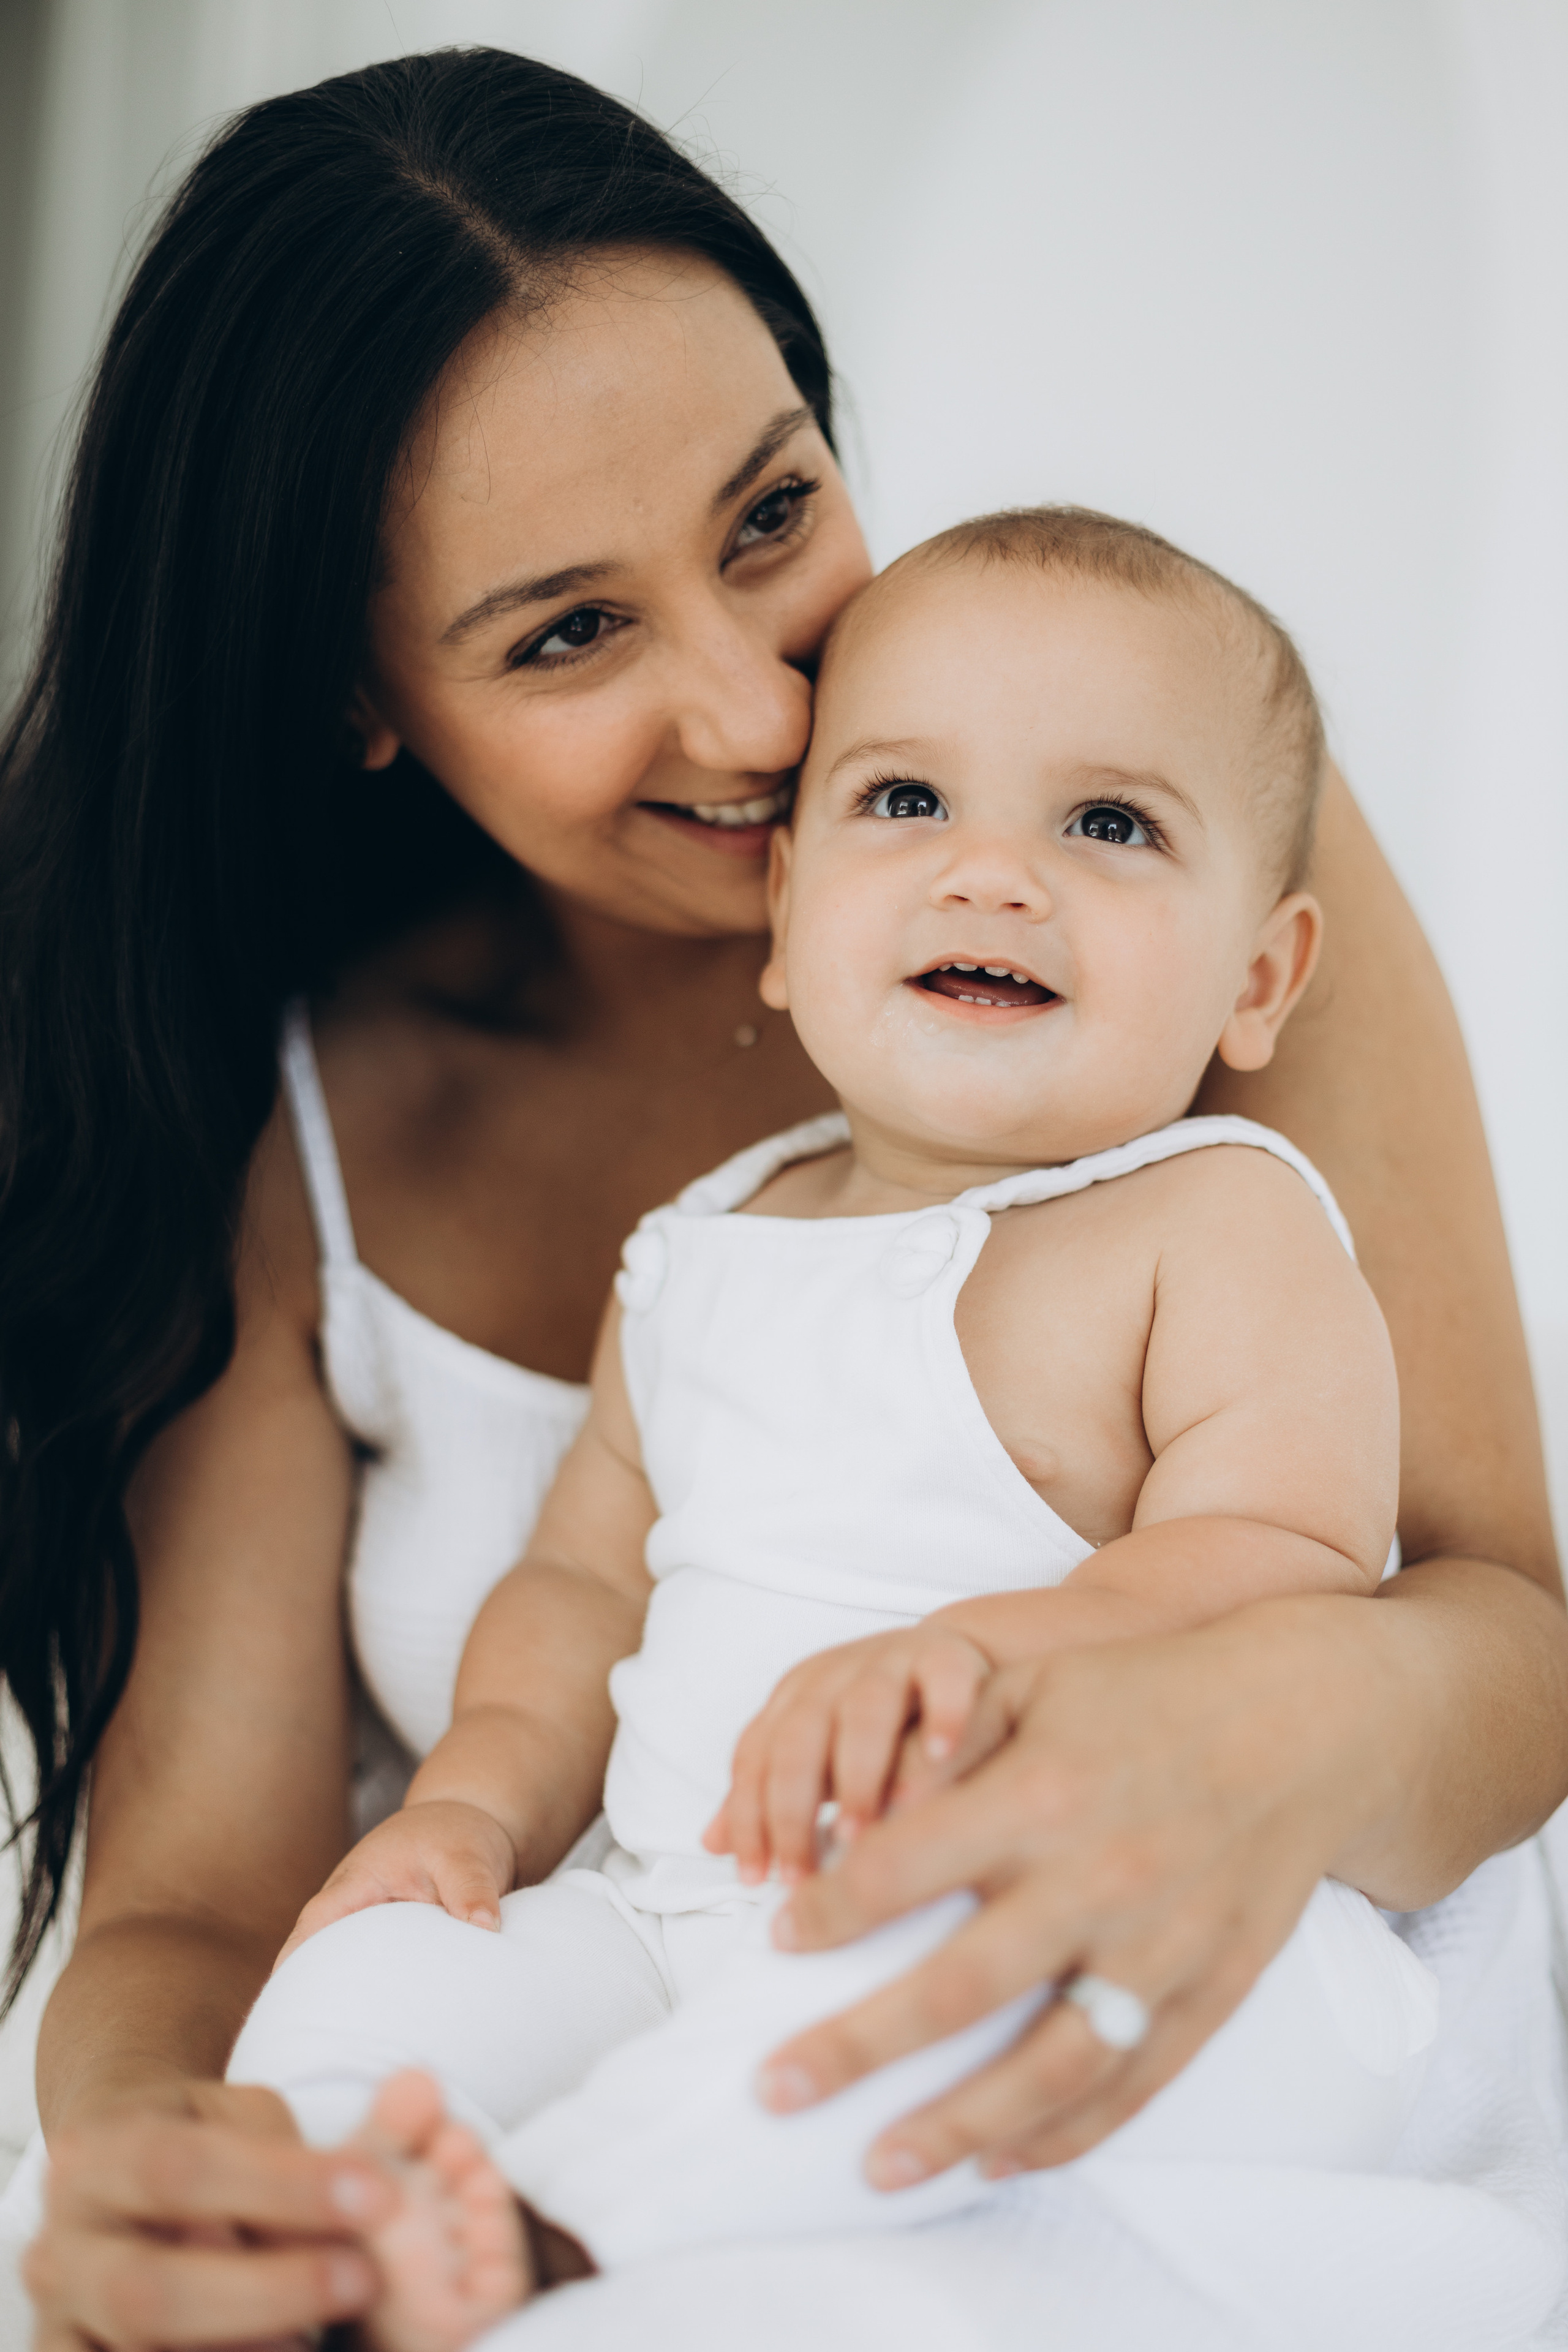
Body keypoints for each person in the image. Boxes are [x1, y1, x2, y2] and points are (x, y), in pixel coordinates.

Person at [0, 47, 1561, 2352]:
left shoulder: (1168, 899)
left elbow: (1504, 1622)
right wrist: (161, 2153)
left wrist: (1250, 1726)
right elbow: (209, 1901)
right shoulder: (307, 1107)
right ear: (354, 693)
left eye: (768, 516)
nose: (755, 710)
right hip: (629, 1966)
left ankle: (555, 2240)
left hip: (1111, 2041)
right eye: (566, 633)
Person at [227, 508, 1444, 2352]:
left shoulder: (1216, 1223)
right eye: (904, 806)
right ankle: (326, 2200)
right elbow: (574, 1585)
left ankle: (568, 2236)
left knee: (896, 2024)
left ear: (1261, 981)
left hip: (1039, 1893)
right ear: (786, 919)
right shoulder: (704, 1255)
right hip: (661, 1905)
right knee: (389, 1969)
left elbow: (1292, 1558)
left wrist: (992, 1654)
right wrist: (474, 1805)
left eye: (1107, 825)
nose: (993, 876)